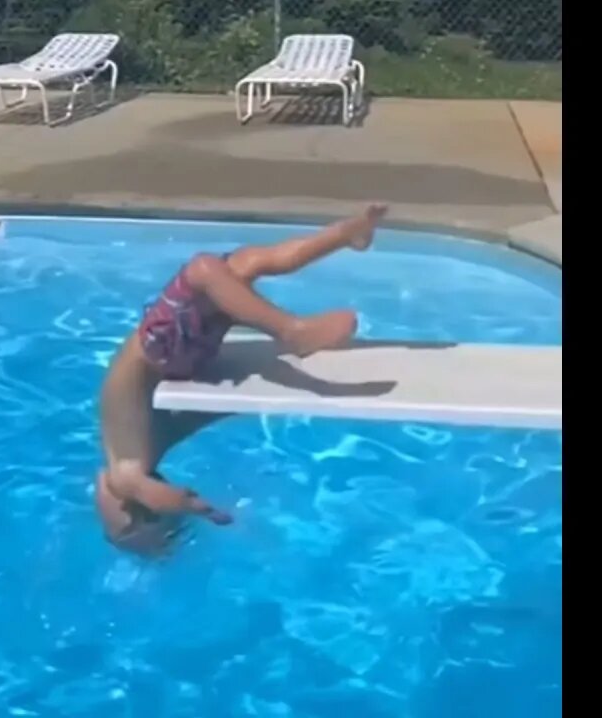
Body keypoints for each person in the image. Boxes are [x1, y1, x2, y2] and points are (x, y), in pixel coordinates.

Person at [95, 204, 388, 555]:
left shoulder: (136, 459)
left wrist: (201, 511)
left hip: (177, 353)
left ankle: (344, 235)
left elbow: (173, 487)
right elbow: (166, 494)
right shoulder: (130, 469)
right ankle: (293, 331)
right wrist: (199, 510)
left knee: (238, 267)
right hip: (163, 349)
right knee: (207, 269)